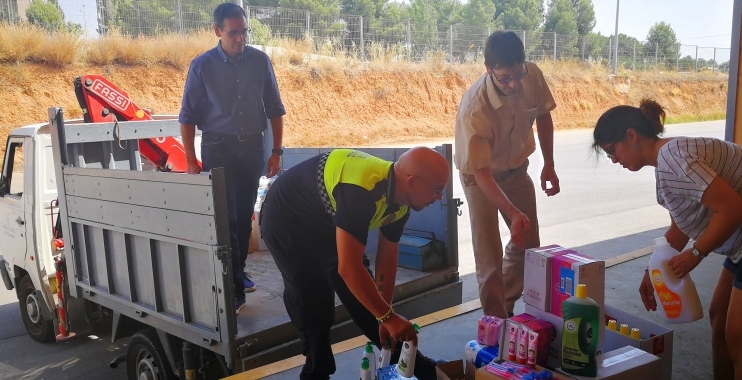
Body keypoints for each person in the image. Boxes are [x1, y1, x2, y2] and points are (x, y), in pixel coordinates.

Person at [592, 99, 742, 379]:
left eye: (612, 151)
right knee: (719, 316)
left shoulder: (673, 159)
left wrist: (696, 254)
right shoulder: (666, 160)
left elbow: (734, 209)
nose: (615, 160)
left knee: (740, 335)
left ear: (632, 136)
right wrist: (653, 269)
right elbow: (682, 226)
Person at [260, 147, 449, 380]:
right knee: (315, 303)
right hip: (287, 219)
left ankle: (417, 366)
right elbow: (348, 269)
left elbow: (387, 259)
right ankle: (316, 372)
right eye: (437, 190)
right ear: (411, 182)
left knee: (370, 300)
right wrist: (387, 317)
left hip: (326, 219)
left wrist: (384, 314)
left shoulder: (400, 202)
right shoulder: (362, 191)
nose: (439, 198)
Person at [179, 3, 286, 314]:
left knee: (243, 216)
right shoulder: (202, 66)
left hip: (252, 147)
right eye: (233, 32)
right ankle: (234, 288)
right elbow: (187, 116)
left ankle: (238, 271)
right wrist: (190, 158)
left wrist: (276, 151)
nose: (240, 38)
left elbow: (275, 110)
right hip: (218, 148)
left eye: (244, 32)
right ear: (218, 31)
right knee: (227, 219)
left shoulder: (260, 61)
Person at [454, 31, 560, 318]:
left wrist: (548, 163)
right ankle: (495, 324)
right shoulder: (475, 110)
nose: (514, 84)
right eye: (505, 78)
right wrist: (512, 212)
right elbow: (483, 173)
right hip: (480, 179)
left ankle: (507, 308)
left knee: (528, 243)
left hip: (516, 169)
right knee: (489, 259)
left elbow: (543, 115)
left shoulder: (532, 75)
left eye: (518, 74)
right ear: (489, 71)